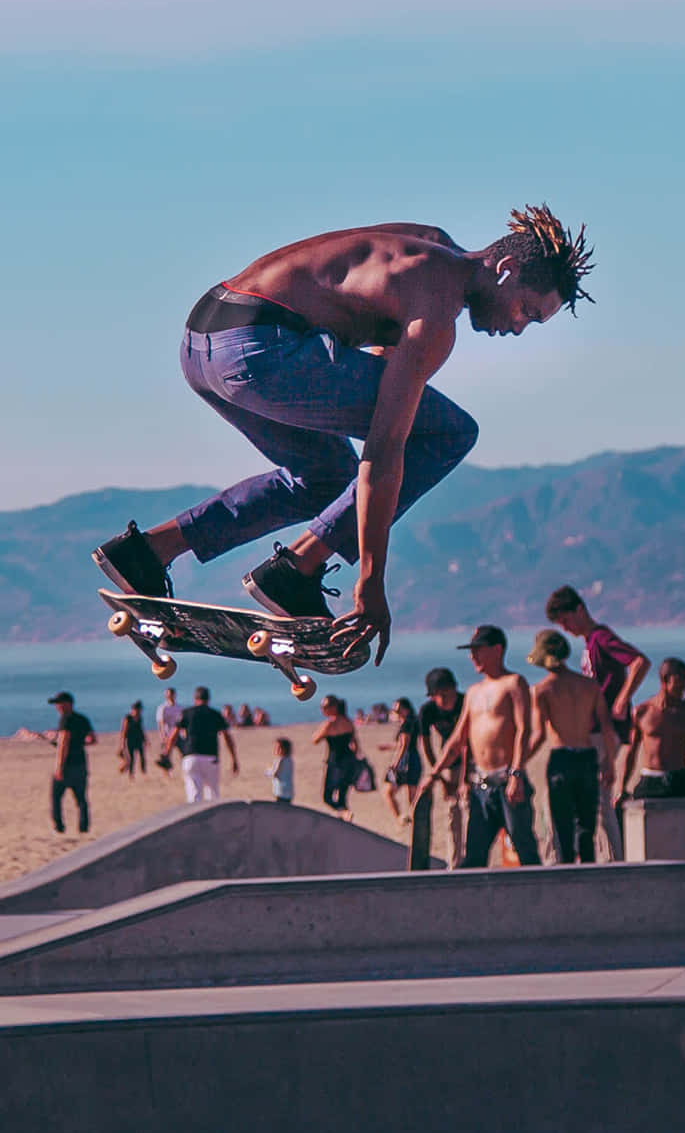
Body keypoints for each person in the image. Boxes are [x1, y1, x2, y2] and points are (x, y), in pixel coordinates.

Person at [92, 207, 595, 666]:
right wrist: (370, 583)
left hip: (202, 345)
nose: (519, 328)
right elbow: (383, 454)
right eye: (527, 311)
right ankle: (296, 569)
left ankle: (148, 551)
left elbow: (352, 309)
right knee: (449, 433)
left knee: (324, 478)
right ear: (505, 270)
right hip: (261, 350)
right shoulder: (436, 314)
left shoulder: (428, 242)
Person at [545, 585, 649, 858]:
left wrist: (622, 699)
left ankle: (613, 860)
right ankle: (598, 857)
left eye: (566, 621)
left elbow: (639, 662)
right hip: (589, 730)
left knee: (599, 800)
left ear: (579, 610)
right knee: (590, 799)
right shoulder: (590, 642)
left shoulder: (601, 637)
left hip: (603, 730)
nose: (566, 628)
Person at [425, 626, 539, 868]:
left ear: (497, 650)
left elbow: (523, 731)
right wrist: (434, 774)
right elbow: (457, 740)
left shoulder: (514, 683)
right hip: (481, 787)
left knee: (524, 849)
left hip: (509, 782)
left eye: (478, 650)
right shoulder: (473, 693)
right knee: (474, 856)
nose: (473, 656)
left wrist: (516, 773)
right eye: (471, 651)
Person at [526, 630, 617, 864]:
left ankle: (569, 875)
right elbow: (606, 727)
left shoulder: (542, 690)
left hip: (561, 759)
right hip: (588, 758)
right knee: (587, 827)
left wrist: (517, 762)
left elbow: (537, 735)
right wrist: (609, 762)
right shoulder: (589, 685)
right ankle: (587, 872)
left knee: (563, 829)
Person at [618, 660, 685, 802]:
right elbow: (631, 753)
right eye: (680, 680)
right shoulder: (642, 712)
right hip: (651, 779)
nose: (684, 686)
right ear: (665, 680)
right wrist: (622, 788)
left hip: (680, 778)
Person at [419, 667, 467, 869]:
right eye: (438, 696)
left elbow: (467, 745)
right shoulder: (428, 711)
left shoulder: (466, 703)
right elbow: (426, 745)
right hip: (446, 764)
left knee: (471, 810)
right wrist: (438, 776)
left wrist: (464, 779)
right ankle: (454, 863)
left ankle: (473, 859)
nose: (443, 700)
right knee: (452, 814)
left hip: (471, 760)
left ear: (455, 689)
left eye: (447, 694)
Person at [162, 684, 239, 802]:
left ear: (195, 699)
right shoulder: (215, 714)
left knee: (194, 796)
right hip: (211, 758)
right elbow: (227, 737)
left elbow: (173, 735)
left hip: (191, 757)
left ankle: (195, 819)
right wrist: (234, 758)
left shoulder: (186, 713)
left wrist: (167, 753)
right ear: (208, 699)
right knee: (213, 795)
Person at [49, 690, 95, 834]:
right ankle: (84, 828)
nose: (57, 707)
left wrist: (59, 767)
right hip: (81, 763)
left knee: (56, 797)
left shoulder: (65, 719)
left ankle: (59, 827)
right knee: (81, 799)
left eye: (59, 704)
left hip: (68, 765)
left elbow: (63, 743)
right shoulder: (82, 719)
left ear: (67, 704)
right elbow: (92, 739)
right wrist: (80, 742)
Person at [381, 697, 423, 825]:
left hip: (406, 762)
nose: (396, 712)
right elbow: (407, 744)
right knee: (412, 795)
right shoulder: (413, 722)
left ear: (406, 709)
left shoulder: (406, 724)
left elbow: (404, 745)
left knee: (388, 792)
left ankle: (401, 818)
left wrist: (395, 764)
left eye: (398, 709)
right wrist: (389, 746)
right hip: (414, 758)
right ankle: (414, 820)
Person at [313, 696, 358, 815]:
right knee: (342, 795)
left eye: (324, 707)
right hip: (349, 761)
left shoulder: (329, 724)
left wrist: (323, 729)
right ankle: (344, 814)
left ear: (333, 708)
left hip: (335, 762)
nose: (322, 710)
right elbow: (355, 743)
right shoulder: (348, 722)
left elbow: (315, 740)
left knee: (327, 796)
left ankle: (343, 813)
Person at [118, 700, 147, 776]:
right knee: (132, 758)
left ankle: (143, 772)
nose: (140, 711)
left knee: (142, 757)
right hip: (130, 740)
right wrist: (122, 744)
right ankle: (131, 774)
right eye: (138, 709)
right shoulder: (128, 718)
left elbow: (141, 729)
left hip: (139, 739)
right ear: (134, 709)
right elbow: (124, 731)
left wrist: (145, 739)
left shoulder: (140, 718)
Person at [267, 736, 294, 805]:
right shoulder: (290, 760)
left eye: (279, 748)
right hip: (289, 790)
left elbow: (275, 773)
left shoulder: (280, 760)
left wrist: (268, 772)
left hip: (280, 790)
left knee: (280, 807)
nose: (277, 750)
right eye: (276, 748)